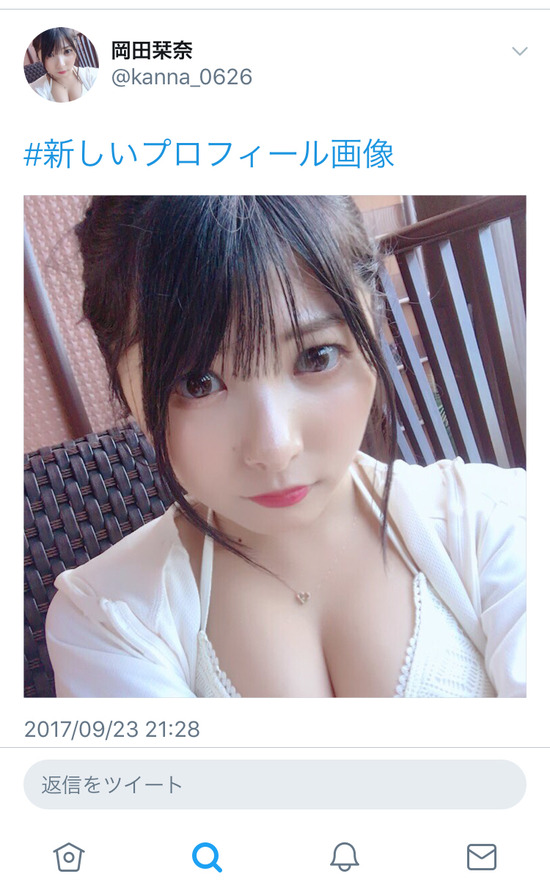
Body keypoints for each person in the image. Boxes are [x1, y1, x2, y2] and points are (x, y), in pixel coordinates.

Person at [45, 196, 526, 698]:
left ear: (373, 323)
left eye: (316, 357)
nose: (275, 448)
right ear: (125, 391)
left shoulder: (497, 519)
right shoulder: (108, 620)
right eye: (198, 382)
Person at [30, 28, 97, 102]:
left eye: (67, 51)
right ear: (38, 57)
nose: (61, 65)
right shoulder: (35, 90)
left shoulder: (93, 76)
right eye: (49, 55)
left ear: (76, 48)